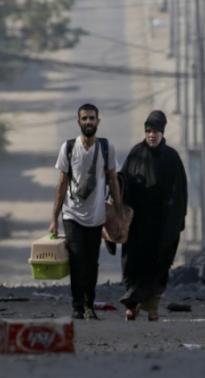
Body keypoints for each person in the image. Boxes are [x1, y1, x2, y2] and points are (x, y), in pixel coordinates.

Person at [49, 103, 122, 320]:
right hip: (72, 214)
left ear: (98, 122)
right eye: (84, 118)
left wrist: (118, 214)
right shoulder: (68, 148)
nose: (88, 122)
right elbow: (61, 184)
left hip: (96, 216)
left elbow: (113, 181)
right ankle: (77, 307)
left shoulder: (106, 148)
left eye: (92, 118)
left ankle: (90, 304)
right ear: (78, 122)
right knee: (76, 259)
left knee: (92, 262)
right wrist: (54, 218)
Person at [119, 110, 187, 321]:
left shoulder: (172, 158)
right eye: (148, 131)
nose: (151, 135)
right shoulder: (136, 154)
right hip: (137, 224)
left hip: (162, 224)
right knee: (132, 264)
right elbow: (122, 183)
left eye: (156, 131)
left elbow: (180, 193)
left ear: (162, 133)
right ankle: (132, 304)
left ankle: (152, 307)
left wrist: (174, 223)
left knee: (159, 265)